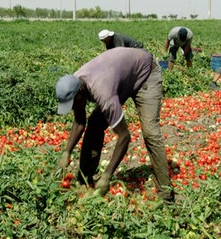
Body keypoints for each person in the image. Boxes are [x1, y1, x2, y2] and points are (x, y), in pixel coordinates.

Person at [55, 47, 174, 204]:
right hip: (122, 75)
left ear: (81, 93)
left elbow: (124, 137)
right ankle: (85, 179)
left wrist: (107, 175)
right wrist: (67, 152)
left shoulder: (103, 93)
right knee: (95, 123)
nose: (72, 107)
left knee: (151, 133)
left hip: (145, 74)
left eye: (73, 103)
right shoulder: (75, 82)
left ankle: (166, 195)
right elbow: (79, 122)